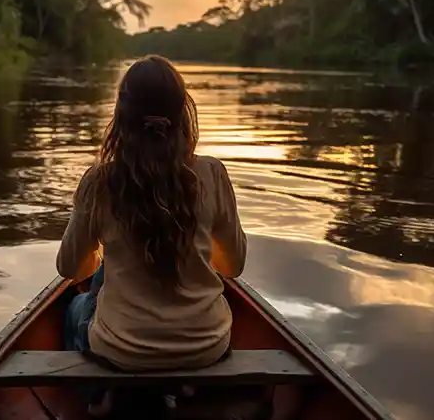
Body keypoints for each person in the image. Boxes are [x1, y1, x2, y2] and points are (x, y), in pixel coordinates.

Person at [56, 55, 297, 419]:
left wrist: (102, 257)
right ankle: (185, 387)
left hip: (121, 349)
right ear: (183, 113)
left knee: (75, 307)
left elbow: (70, 268)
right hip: (206, 345)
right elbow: (233, 267)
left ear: (121, 117)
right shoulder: (211, 174)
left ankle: (99, 397)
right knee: (109, 278)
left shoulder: (99, 182)